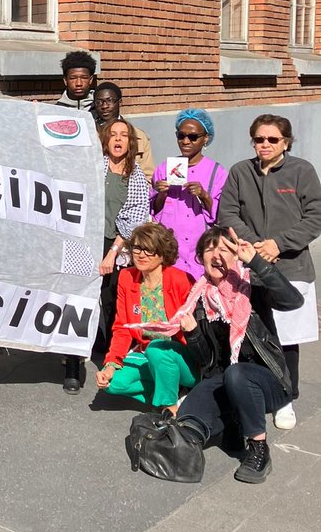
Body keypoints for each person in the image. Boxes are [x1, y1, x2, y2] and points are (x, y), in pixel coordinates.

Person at [172, 226, 304, 483]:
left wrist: (255, 261)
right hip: (226, 380)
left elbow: (293, 300)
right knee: (190, 409)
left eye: (223, 249)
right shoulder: (201, 298)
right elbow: (207, 361)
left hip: (270, 383)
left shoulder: (252, 286)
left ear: (235, 257)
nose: (216, 255)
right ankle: (187, 444)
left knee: (237, 374)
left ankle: (258, 449)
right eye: (209, 250)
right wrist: (193, 334)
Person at [217, 113, 321, 416]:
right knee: (253, 334)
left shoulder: (302, 171)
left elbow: (314, 216)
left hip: (290, 268)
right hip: (249, 267)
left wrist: (279, 243)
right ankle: (255, 391)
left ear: (285, 142)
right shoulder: (240, 172)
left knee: (287, 338)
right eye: (259, 139)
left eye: (272, 139)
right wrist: (256, 247)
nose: (265, 144)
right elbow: (228, 214)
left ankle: (286, 396)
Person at [64, 119, 150, 393]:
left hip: (117, 247)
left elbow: (135, 218)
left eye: (124, 135)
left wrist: (112, 252)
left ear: (130, 143)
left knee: (113, 304)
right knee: (77, 299)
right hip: (85, 241)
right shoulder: (92, 167)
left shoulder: (135, 177)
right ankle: (72, 365)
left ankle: (111, 361)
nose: (118, 139)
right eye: (113, 134)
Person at [95, 222, 194, 409]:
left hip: (180, 356)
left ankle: (168, 406)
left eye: (149, 250)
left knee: (157, 348)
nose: (141, 254)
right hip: (145, 352)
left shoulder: (180, 279)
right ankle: (174, 392)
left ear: (163, 253)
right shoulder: (127, 277)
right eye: (137, 248)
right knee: (112, 383)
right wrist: (111, 363)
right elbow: (122, 328)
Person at [151, 109, 227, 279]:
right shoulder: (164, 169)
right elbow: (154, 213)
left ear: (205, 138)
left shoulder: (217, 172)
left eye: (193, 137)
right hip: (170, 254)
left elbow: (222, 215)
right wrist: (161, 194)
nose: (186, 141)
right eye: (181, 135)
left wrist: (204, 195)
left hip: (199, 253)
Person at [92, 81, 155, 181]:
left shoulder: (138, 136)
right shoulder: (89, 135)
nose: (104, 106)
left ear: (120, 102)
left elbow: (148, 177)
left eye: (110, 101)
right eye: (99, 102)